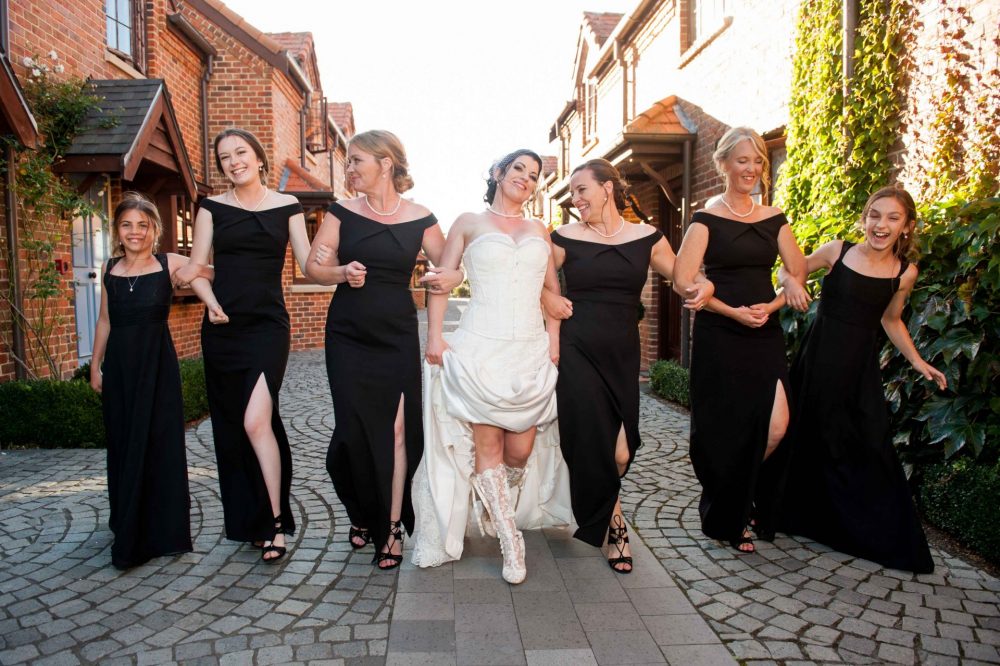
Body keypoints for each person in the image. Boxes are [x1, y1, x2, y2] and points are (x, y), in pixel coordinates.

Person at [411, 149, 573, 584]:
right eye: (518, 168)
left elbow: (551, 295)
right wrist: (434, 337)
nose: (525, 178)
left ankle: (492, 499)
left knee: (519, 449)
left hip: (529, 351)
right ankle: (510, 540)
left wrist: (553, 344)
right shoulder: (468, 222)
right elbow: (444, 281)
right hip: (482, 348)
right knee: (490, 448)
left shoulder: (540, 228)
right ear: (499, 173)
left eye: (534, 174)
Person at [547, 159, 714, 573]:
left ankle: (597, 506)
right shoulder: (563, 237)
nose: (576, 199)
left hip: (622, 353)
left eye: (582, 189)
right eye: (573, 192)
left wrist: (707, 284)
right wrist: (546, 298)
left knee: (622, 451)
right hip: (577, 350)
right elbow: (529, 278)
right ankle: (616, 523)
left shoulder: (648, 237)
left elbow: (683, 278)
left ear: (608, 188)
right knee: (592, 439)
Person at [307, 129, 461, 570]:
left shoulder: (422, 218)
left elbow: (449, 270)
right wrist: (340, 271)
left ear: (386, 163)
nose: (349, 169)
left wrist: (453, 277)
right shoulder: (342, 213)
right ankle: (361, 510)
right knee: (353, 436)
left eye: (357, 160)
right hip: (348, 335)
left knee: (397, 432)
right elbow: (313, 266)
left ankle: (390, 527)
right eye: (350, 161)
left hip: (395, 334)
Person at [777, 185, 943, 573]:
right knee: (804, 434)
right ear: (864, 218)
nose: (880, 225)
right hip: (817, 359)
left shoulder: (905, 272)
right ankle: (792, 514)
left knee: (868, 445)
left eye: (892, 218)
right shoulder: (839, 250)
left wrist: (919, 362)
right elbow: (791, 266)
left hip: (858, 369)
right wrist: (792, 282)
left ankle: (867, 530)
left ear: (907, 227)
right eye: (874, 215)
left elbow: (891, 319)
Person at [176, 128, 310, 563]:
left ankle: (274, 521)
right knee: (237, 429)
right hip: (223, 329)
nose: (234, 161)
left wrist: (344, 268)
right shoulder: (211, 209)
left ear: (258, 157)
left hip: (268, 327)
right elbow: (195, 268)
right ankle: (256, 520)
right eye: (225, 158)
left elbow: (308, 263)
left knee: (257, 421)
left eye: (241, 153)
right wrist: (210, 302)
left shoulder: (288, 205)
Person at [673, 126, 807, 554]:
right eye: (742, 160)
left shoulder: (774, 218)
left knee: (777, 425)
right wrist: (720, 301)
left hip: (763, 329)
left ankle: (741, 495)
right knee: (724, 429)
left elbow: (796, 271)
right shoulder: (706, 219)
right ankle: (730, 512)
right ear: (724, 164)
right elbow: (681, 279)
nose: (750, 169)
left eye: (757, 162)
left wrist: (770, 306)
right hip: (720, 332)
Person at [90, 192, 207, 569]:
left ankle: (161, 530)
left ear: (154, 229)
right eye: (127, 224)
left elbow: (206, 271)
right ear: (117, 230)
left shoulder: (167, 262)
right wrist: (95, 366)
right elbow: (105, 320)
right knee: (123, 443)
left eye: (142, 225)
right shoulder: (109, 268)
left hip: (157, 367)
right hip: (121, 368)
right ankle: (127, 521)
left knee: (160, 442)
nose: (134, 232)